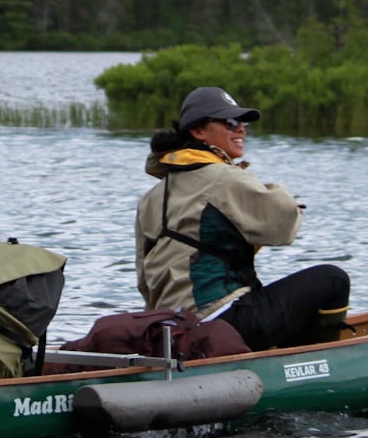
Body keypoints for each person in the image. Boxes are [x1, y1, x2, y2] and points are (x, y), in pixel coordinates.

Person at [134, 86, 349, 350]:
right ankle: (315, 363)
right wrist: (287, 202)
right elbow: (283, 226)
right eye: (230, 122)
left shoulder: (152, 197)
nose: (241, 129)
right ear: (198, 131)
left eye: (242, 122)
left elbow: (144, 280)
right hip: (221, 322)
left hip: (172, 330)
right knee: (332, 279)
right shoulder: (224, 176)